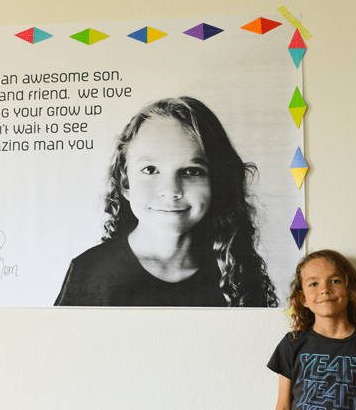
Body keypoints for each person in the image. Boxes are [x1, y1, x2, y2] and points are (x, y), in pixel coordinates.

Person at [55, 97, 278, 307]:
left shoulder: (238, 274)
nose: (171, 191)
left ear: (217, 183)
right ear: (125, 182)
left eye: (192, 171)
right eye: (150, 170)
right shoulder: (90, 272)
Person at [268, 250, 356, 410]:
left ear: (350, 289)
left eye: (335, 281)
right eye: (313, 284)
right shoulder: (291, 343)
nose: (324, 289)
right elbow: (283, 406)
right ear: (302, 298)